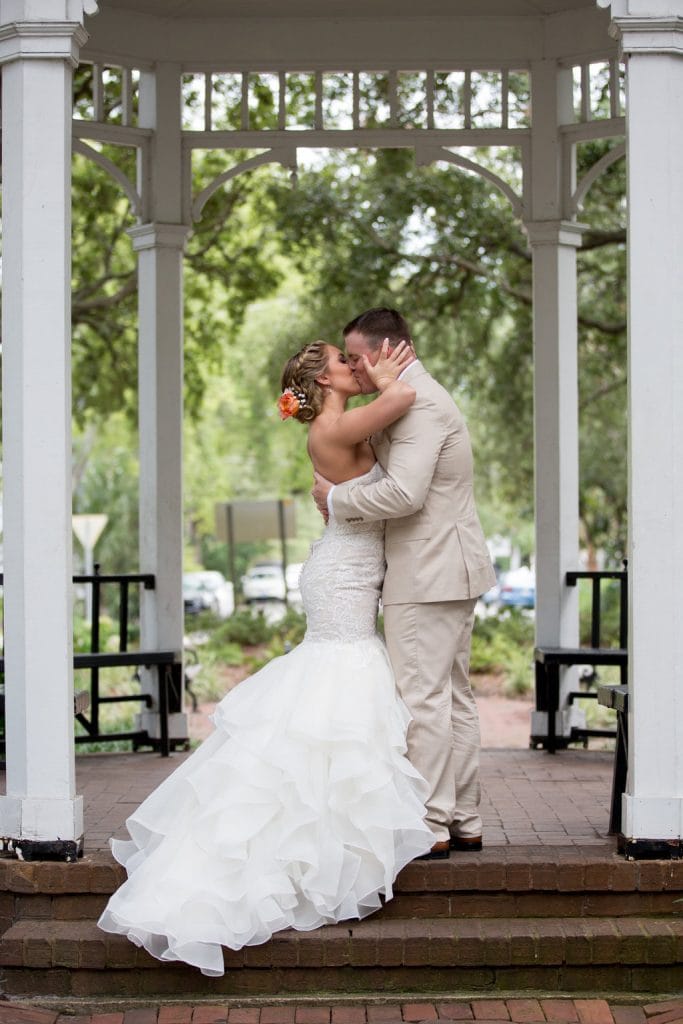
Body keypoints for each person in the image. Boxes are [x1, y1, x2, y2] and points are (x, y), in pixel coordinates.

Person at [97, 339, 433, 977]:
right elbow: (407, 397)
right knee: (345, 671)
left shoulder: (335, 424)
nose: (354, 367)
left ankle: (329, 834)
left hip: (349, 562)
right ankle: (316, 843)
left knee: (339, 683)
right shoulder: (333, 427)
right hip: (343, 572)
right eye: (344, 362)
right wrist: (389, 376)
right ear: (321, 381)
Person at [312, 308, 496, 859]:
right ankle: (464, 818)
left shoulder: (421, 403)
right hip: (445, 567)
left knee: (423, 700)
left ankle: (432, 821)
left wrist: (336, 500)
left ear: (387, 350)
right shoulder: (409, 395)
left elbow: (404, 495)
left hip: (428, 572)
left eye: (357, 357)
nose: (355, 369)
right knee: (452, 697)